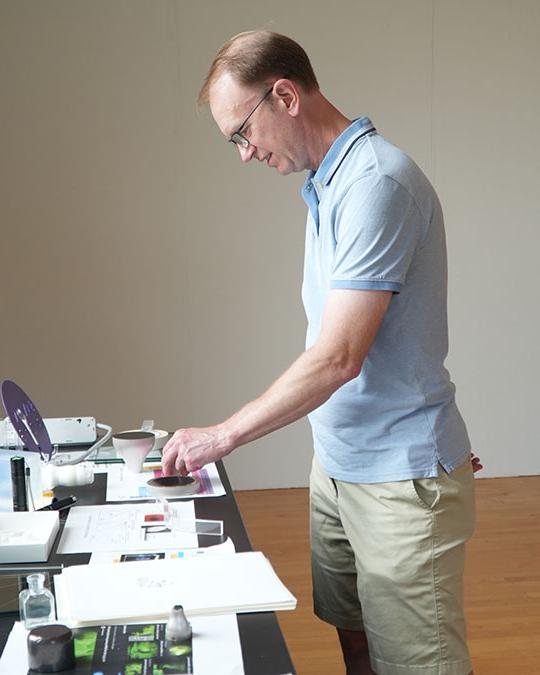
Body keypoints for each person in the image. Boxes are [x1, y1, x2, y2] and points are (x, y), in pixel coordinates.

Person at [162, 30, 479, 675]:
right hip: (338, 464)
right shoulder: (326, 186)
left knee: (419, 664)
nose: (245, 154)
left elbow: (338, 358)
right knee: (353, 635)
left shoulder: (376, 183)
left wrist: (222, 436)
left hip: (399, 479)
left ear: (284, 95)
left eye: (241, 133)